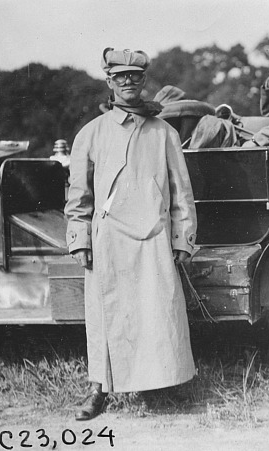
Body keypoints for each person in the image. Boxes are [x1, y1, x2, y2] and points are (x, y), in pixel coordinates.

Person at [65, 48, 198, 421]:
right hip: (108, 241)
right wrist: (79, 239)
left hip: (153, 237)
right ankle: (99, 390)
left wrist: (182, 238)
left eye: (135, 77)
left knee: (158, 313)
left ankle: (164, 387)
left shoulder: (164, 134)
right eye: (120, 77)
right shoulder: (89, 135)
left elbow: (181, 192)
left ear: (144, 81)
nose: (128, 82)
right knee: (107, 319)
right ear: (109, 81)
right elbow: (79, 195)